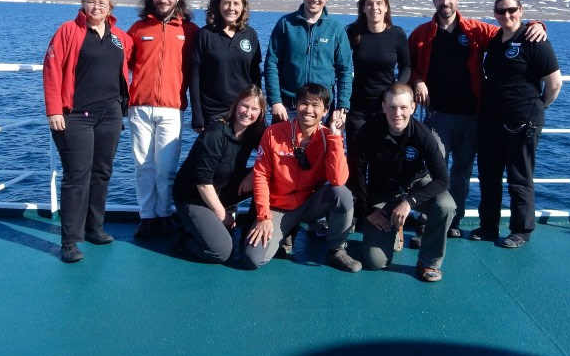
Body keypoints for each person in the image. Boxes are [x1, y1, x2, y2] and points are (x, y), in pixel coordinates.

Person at [409, 0, 546, 239]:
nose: (445, 2)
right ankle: (428, 219)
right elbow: (408, 64)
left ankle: (452, 220)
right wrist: (417, 80)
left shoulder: (474, 30)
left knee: (462, 170)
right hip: (437, 115)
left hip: (472, 116)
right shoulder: (421, 34)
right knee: (431, 168)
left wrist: (536, 25)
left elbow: (509, 31)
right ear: (434, 1)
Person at [43, 0, 132, 263]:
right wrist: (54, 110)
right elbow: (52, 69)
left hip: (111, 114)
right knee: (77, 176)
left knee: (102, 172)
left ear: (110, 8)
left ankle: (94, 227)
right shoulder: (69, 31)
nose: (96, 7)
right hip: (75, 116)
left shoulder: (120, 37)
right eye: (91, 2)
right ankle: (69, 241)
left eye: (102, 3)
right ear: (83, 4)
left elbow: (131, 65)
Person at [473, 0, 562, 248]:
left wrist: (537, 107)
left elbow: (554, 84)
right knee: (488, 176)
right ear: (495, 14)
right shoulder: (495, 40)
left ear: (520, 10)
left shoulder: (535, 40)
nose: (506, 15)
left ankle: (520, 230)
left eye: (511, 10)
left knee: (519, 177)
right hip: (491, 120)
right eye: (500, 11)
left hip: (522, 121)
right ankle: (488, 226)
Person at [241, 83, 361, 272]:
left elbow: (338, 180)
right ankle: (286, 231)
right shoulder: (273, 133)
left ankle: (336, 250)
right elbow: (261, 176)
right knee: (252, 258)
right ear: (296, 105)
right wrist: (264, 216)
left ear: (325, 110)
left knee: (342, 195)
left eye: (316, 105)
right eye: (304, 103)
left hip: (310, 203)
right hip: (279, 207)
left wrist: (336, 137)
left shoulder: (327, 136)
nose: (309, 110)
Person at [352, 83, 454, 282]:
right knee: (376, 262)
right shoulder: (369, 132)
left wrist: (409, 203)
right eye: (391, 107)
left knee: (446, 205)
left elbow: (443, 180)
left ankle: (428, 263)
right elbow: (356, 174)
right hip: (384, 191)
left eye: (403, 107)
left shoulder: (423, 135)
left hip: (415, 187)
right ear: (383, 107)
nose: (397, 113)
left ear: (413, 108)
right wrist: (368, 211)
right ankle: (394, 228)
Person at [127, 0, 199, 238]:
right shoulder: (138, 29)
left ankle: (164, 214)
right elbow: (122, 64)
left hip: (172, 108)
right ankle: (147, 217)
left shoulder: (189, 31)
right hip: (140, 108)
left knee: (166, 168)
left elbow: (200, 68)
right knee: (143, 166)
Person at [172, 85, 267, 263]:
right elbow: (203, 182)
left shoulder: (253, 133)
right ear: (236, 105)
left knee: (265, 179)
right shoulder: (215, 135)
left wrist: (255, 172)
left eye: (254, 109)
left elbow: (271, 157)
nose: (247, 113)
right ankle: (180, 237)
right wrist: (223, 216)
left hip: (223, 188)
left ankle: (248, 234)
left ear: (261, 112)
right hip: (194, 197)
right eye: (245, 106)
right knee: (221, 252)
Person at [263, 0, 353, 123]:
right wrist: (275, 101)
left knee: (320, 148)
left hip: (321, 111)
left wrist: (342, 106)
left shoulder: (336, 30)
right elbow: (271, 64)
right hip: (287, 108)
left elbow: (345, 71)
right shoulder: (285, 24)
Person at [345, 0, 410, 186]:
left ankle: (376, 209)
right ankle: (355, 209)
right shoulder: (353, 33)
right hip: (358, 108)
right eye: (369, 4)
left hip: (386, 109)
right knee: (356, 160)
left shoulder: (397, 34)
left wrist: (396, 91)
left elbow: (406, 66)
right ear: (363, 8)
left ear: (386, 7)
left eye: (379, 3)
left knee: (381, 160)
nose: (375, 8)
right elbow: (341, 66)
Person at [189, 0, 262, 131]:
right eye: (226, 3)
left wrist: (258, 109)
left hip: (243, 111)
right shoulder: (205, 35)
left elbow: (255, 76)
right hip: (212, 113)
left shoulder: (250, 35)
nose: (231, 8)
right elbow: (194, 78)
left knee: (240, 154)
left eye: (236, 3)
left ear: (243, 7)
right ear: (218, 5)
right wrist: (197, 116)